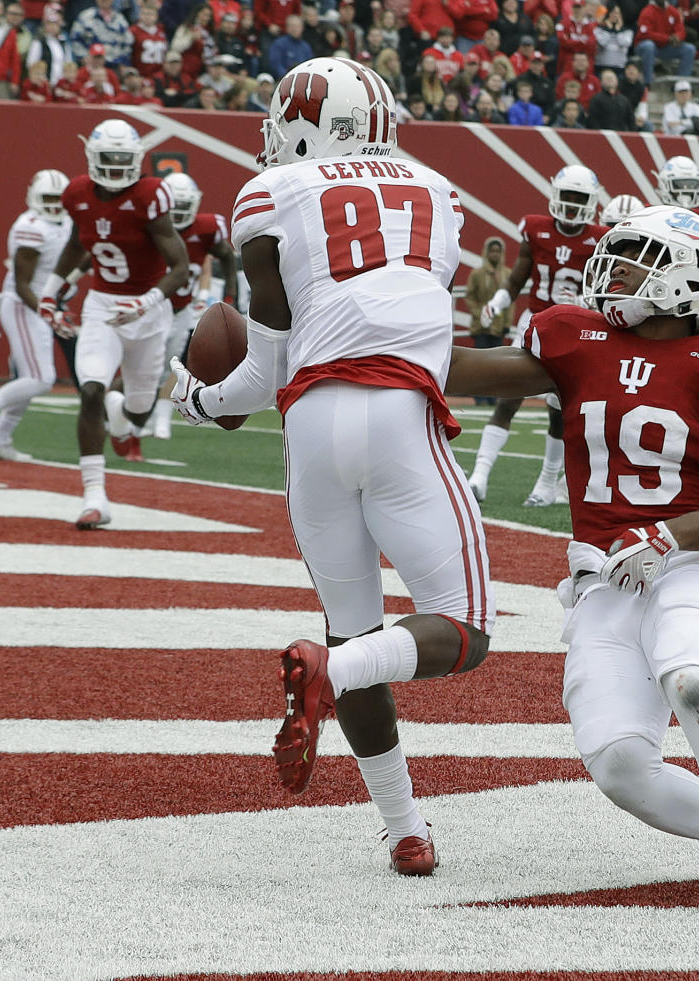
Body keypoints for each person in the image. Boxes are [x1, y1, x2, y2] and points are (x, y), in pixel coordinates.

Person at [444, 205, 699, 935]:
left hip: (682, 568)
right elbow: (462, 369)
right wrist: (377, 326)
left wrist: (667, 537)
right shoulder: (577, 338)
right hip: (599, 581)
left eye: (635, 257)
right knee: (621, 766)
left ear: (684, 277)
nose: (613, 269)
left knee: (692, 680)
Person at [168, 58, 493, 876]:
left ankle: (406, 828)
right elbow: (408, 314)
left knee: (352, 629)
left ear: (302, 123)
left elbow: (264, 377)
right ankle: (335, 680)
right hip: (400, 414)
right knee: (463, 631)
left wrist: (196, 400)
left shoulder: (267, 195)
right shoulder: (440, 192)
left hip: (311, 426)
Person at [37, 119, 188, 527]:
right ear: (92, 159)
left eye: (125, 160)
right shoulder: (77, 193)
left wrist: (148, 301)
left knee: (139, 408)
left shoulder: (152, 195)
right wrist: (50, 293)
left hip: (149, 308)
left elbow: (181, 267)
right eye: (110, 159)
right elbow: (75, 245)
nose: (118, 168)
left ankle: (123, 419)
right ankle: (95, 495)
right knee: (89, 390)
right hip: (103, 304)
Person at [470, 164, 607, 507]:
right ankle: (479, 476)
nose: (573, 205)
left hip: (575, 328)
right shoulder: (535, 229)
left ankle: (546, 484)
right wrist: (498, 302)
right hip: (534, 323)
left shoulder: (598, 238)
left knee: (557, 409)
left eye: (580, 199)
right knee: (508, 398)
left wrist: (589, 301)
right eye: (568, 197)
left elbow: (602, 289)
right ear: (555, 196)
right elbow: (517, 278)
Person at [0, 170, 76, 461]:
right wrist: (49, 311)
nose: (55, 205)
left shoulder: (68, 222)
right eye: (49, 199)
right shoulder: (30, 226)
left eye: (60, 200)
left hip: (42, 304)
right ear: (34, 197)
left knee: (27, 378)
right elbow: (22, 286)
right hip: (23, 304)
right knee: (41, 378)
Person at [144, 171, 237, 440]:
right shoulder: (148, 227)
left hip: (182, 309)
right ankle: (127, 411)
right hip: (151, 307)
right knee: (148, 367)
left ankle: (161, 417)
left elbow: (226, 256)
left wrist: (228, 294)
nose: (180, 213)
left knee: (176, 364)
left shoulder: (205, 228)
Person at [463, 236, 510, 405]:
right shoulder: (477, 274)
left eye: (498, 251)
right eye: (492, 251)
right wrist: (479, 313)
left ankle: (493, 397)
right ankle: (479, 397)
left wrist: (506, 323)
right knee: (480, 365)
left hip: (498, 326)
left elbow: (511, 301)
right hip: (481, 326)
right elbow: (469, 297)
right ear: (486, 252)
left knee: (497, 365)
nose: (495, 254)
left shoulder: (507, 274)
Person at [634, 0, 695, 87]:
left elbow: (681, 29)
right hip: (645, 46)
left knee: (689, 49)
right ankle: (648, 83)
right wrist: (668, 39)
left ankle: (681, 85)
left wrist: (678, 37)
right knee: (649, 46)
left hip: (666, 47)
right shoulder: (647, 11)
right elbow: (646, 34)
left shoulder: (673, 11)